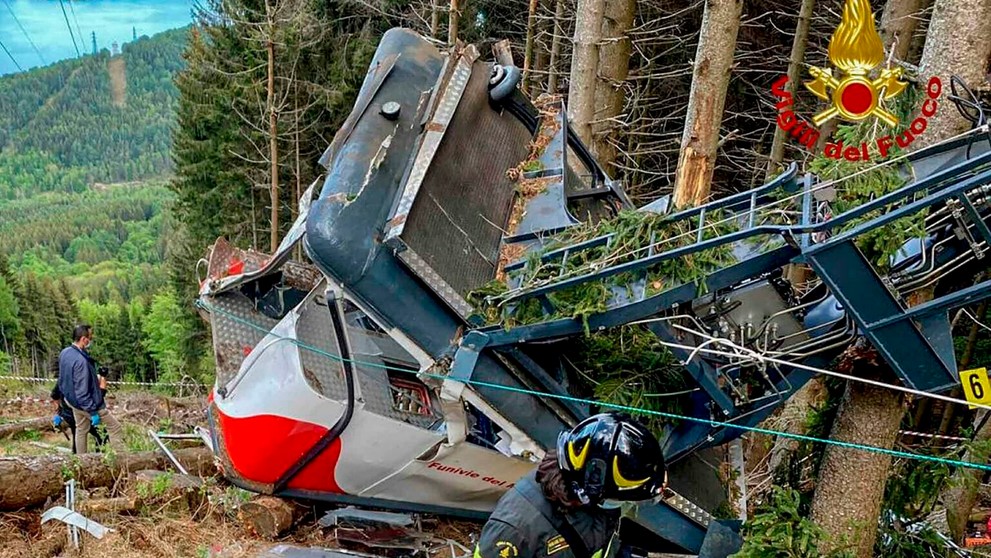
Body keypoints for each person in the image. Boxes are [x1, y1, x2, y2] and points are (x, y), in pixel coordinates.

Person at [474, 413, 668, 558]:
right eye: (624, 500)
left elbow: (599, 543)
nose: (626, 506)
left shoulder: (594, 497)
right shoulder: (515, 530)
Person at [57, 324, 123, 453]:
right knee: (115, 427)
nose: (90, 340)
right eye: (90, 337)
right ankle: (122, 460)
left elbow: (63, 379)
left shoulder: (65, 352)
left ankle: (82, 462)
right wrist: (93, 412)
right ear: (83, 339)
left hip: (72, 401)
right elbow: (82, 391)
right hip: (86, 404)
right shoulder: (81, 361)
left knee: (81, 430)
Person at [51, 373, 109, 453]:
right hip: (84, 412)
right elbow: (100, 394)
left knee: (77, 435)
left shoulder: (64, 377)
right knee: (102, 434)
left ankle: (77, 457)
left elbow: (54, 395)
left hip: (69, 415)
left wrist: (59, 411)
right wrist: (103, 378)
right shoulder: (85, 378)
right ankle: (99, 457)